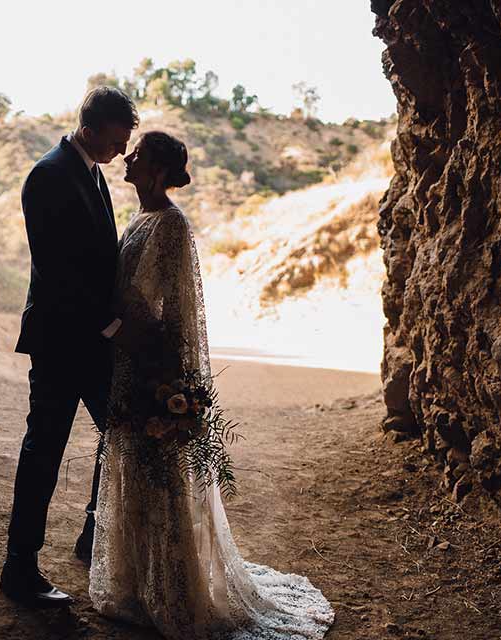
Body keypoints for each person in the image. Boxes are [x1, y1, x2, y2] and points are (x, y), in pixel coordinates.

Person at [88, 131, 335, 639]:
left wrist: (157, 371)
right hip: (128, 361)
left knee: (161, 475)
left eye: (139, 154)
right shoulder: (142, 218)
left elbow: (164, 307)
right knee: (136, 471)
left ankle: (177, 590)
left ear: (155, 169)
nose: (128, 158)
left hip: (149, 364)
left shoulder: (172, 226)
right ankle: (138, 582)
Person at [0, 86, 137, 608]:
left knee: (121, 434)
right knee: (44, 451)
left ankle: (92, 534)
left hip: (91, 344)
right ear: (93, 126)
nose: (123, 151)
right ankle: (19, 568)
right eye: (119, 139)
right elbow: (58, 271)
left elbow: (99, 261)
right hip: (60, 342)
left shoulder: (92, 173)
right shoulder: (49, 174)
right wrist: (111, 326)